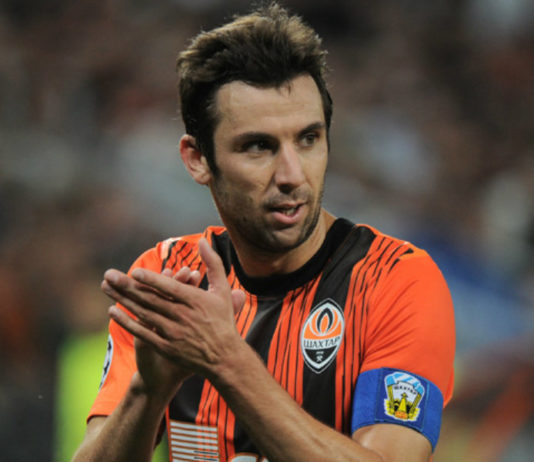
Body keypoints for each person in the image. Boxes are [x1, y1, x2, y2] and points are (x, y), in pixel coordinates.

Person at [72, 4, 455, 462]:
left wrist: (225, 360)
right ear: (198, 159)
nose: (292, 175)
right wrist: (147, 392)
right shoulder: (170, 278)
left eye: (308, 139)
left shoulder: (395, 282)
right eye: (258, 146)